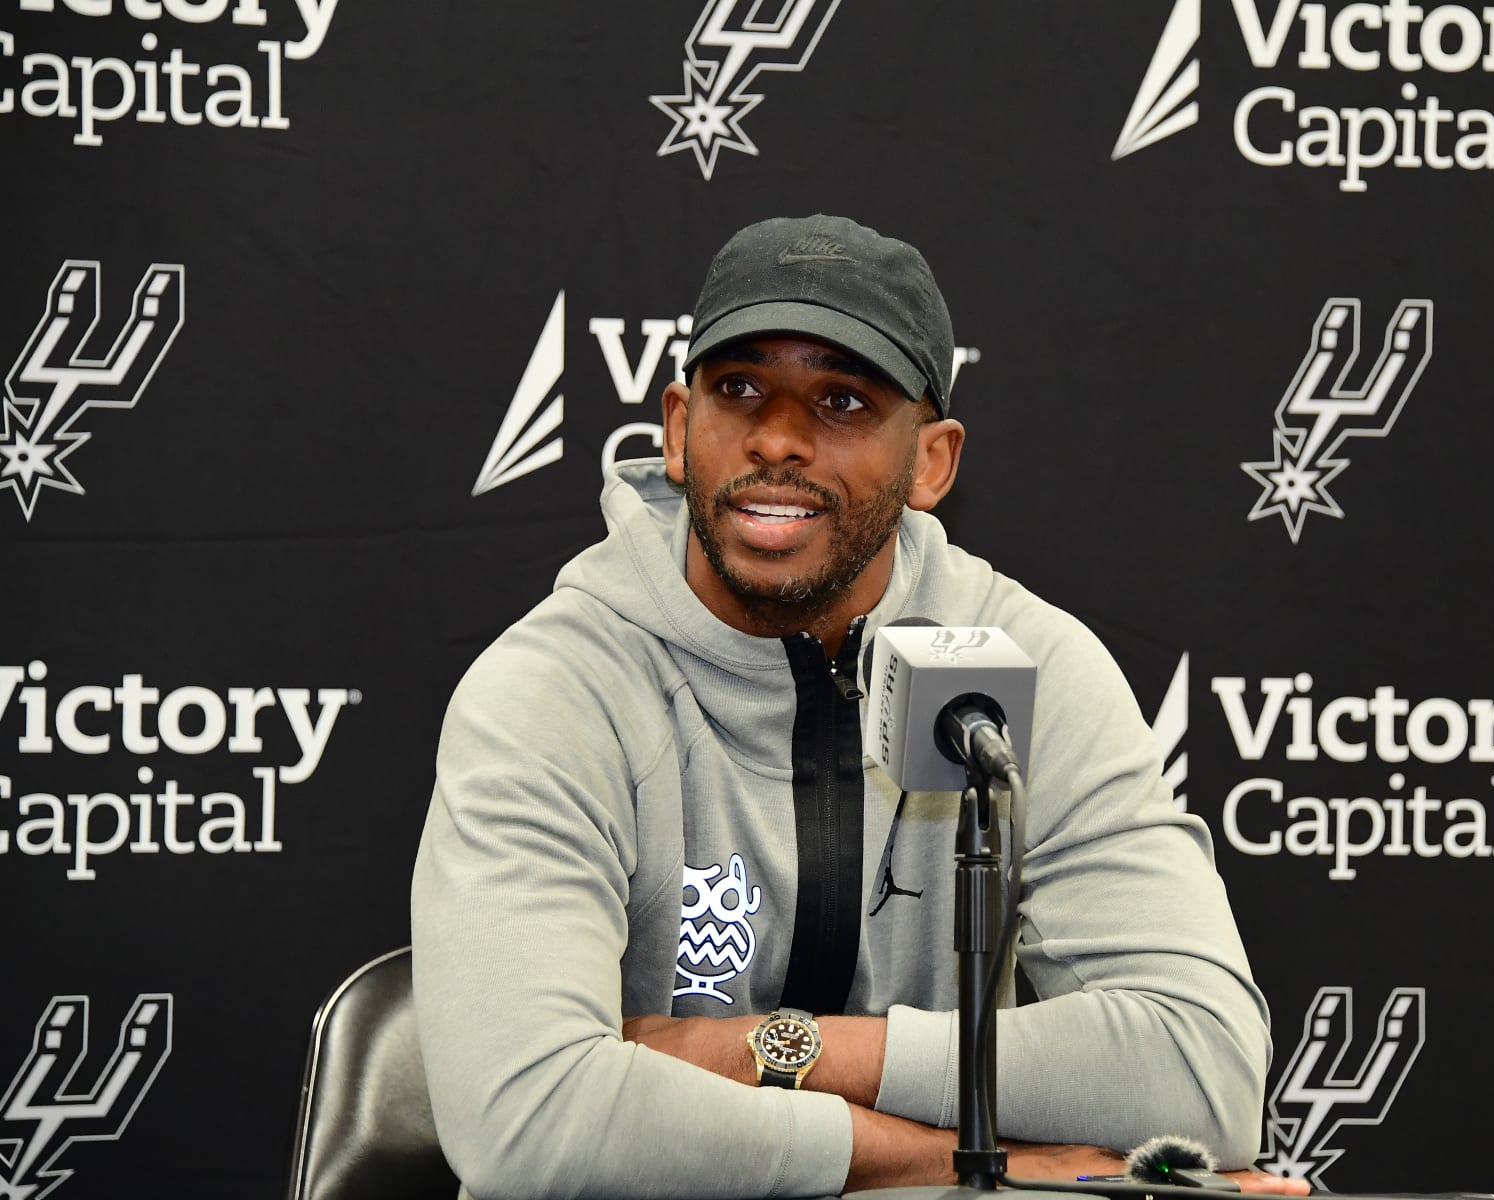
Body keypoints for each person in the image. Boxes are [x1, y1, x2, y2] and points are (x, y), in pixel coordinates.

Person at [412, 214, 1301, 1199]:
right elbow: (527, 1122)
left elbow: (1205, 1072)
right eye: (738, 387)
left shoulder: (1032, 664)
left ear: (933, 461)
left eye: (841, 400)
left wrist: (760, 1050)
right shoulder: (555, 688)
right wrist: (973, 1163)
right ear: (676, 429)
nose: (777, 439)